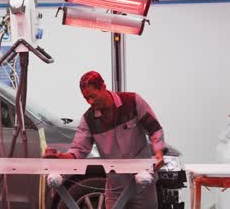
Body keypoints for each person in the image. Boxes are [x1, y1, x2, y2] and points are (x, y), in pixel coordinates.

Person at [44, 71, 166, 209]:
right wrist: (60, 157)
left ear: (103, 86)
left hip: (143, 184)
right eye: (86, 98)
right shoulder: (88, 120)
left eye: (92, 96)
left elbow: (154, 128)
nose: (90, 102)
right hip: (115, 188)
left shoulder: (132, 102)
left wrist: (159, 152)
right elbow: (78, 151)